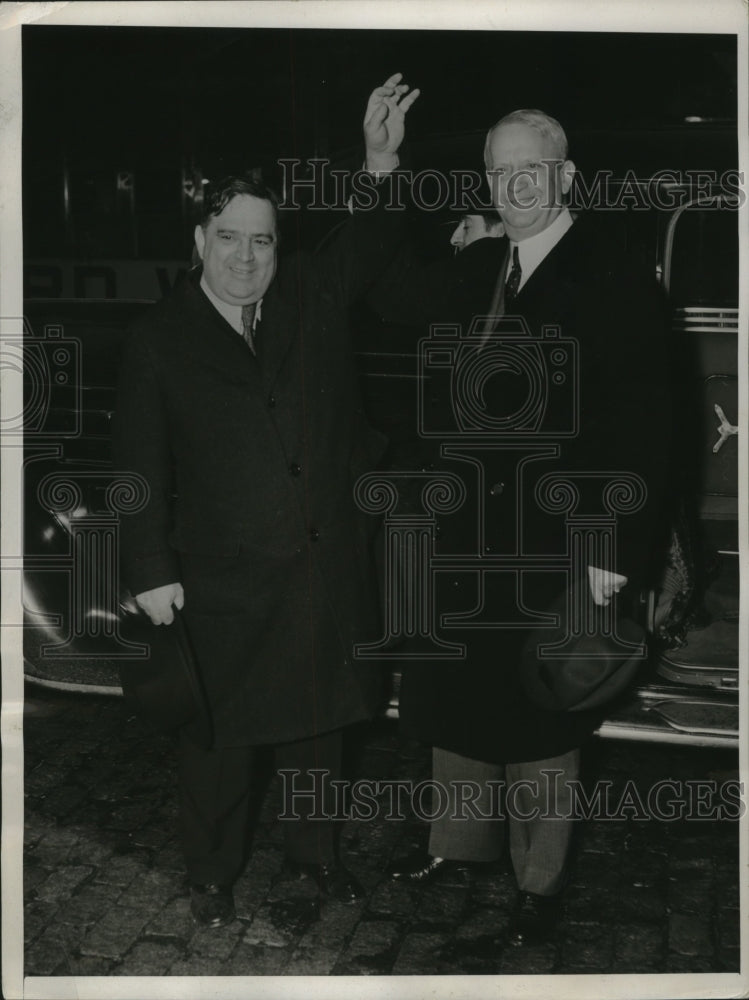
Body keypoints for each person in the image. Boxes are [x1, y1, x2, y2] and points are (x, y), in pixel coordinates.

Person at [112, 73, 419, 929]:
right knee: (217, 745)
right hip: (219, 585)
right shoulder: (156, 341)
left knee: (319, 730)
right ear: (200, 239)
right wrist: (149, 570)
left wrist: (380, 159)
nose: (247, 258)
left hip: (319, 573)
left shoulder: (309, 300)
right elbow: (135, 467)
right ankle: (211, 873)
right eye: (229, 239)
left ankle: (314, 859)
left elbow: (376, 238)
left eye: (263, 241)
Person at [369, 109, 672, 945]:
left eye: (529, 171)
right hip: (467, 537)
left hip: (557, 543)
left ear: (565, 178)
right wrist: (382, 168)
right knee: (459, 700)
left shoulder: (613, 279)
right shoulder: (482, 265)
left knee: (542, 710)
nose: (513, 187)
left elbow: (647, 432)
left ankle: (539, 885)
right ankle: (458, 845)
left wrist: (609, 558)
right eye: (499, 173)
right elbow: (389, 290)